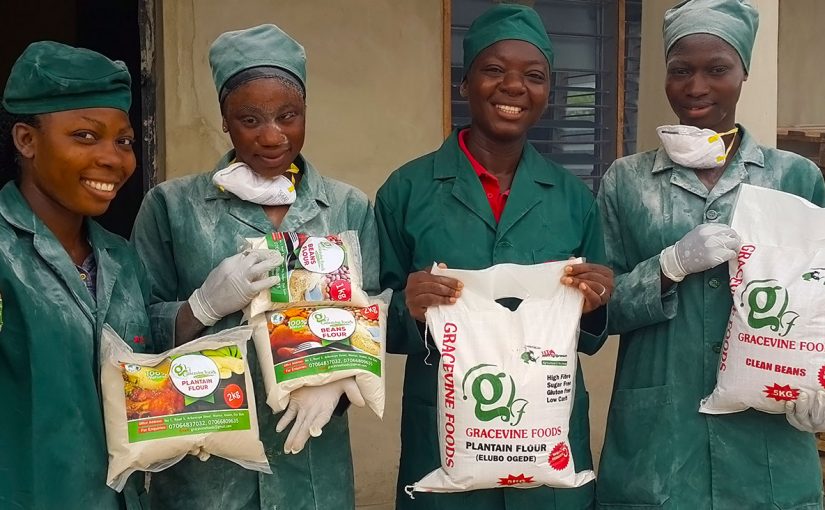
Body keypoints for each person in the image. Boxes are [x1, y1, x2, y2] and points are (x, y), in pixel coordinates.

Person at [376, 5, 613, 509]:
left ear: (548, 92)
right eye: (494, 69)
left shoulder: (573, 199)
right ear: (465, 83)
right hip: (444, 440)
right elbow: (370, 319)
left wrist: (595, 300)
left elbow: (592, 331)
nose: (513, 86)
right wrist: (405, 308)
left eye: (534, 76)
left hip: (546, 440)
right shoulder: (408, 191)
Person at [131, 24, 378, 510]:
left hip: (311, 471)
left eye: (289, 116)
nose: (272, 136)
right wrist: (200, 308)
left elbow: (375, 305)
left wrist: (341, 378)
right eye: (249, 119)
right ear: (225, 120)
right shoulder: (172, 207)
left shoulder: (347, 208)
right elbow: (131, 326)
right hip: (206, 473)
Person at [596, 1, 825, 508]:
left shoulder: (794, 177)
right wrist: (667, 267)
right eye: (680, 70)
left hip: (767, 444)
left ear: (744, 72)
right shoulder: (627, 181)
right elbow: (596, 310)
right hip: (661, 446)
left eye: (717, 69)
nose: (696, 86)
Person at [0, 42, 152, 508]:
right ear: (26, 140)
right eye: (86, 136)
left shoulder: (120, 258)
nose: (113, 158)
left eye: (123, 141)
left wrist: (203, 311)